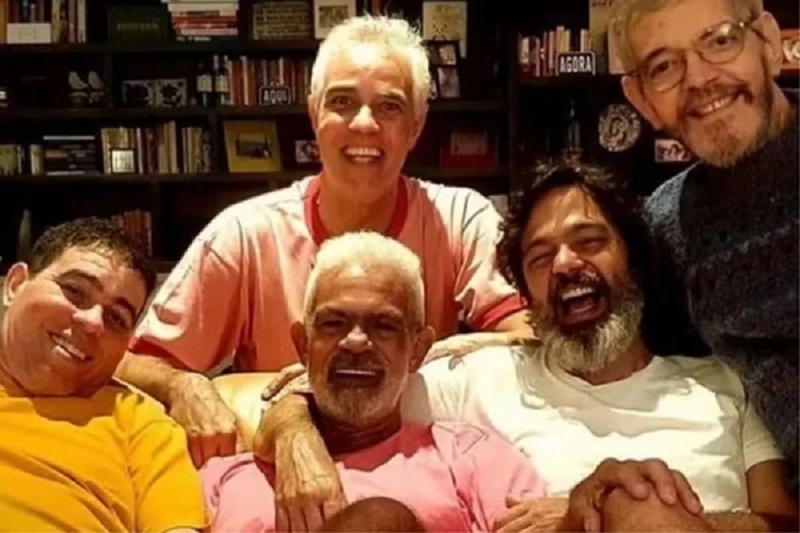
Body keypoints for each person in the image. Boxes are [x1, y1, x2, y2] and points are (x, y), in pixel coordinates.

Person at [257, 163, 798, 532]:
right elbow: (333, 389)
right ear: (526, 297)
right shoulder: (480, 379)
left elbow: (781, 523)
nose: (565, 264)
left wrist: (602, 511)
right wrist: (295, 434)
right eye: (540, 258)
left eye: (589, 241)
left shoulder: (722, 384)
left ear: (633, 263)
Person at [116, 14, 530, 468]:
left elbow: (529, 341)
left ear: (416, 125)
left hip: (414, 469)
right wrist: (185, 385)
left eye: (389, 106)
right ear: (314, 113)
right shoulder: (246, 234)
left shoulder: (460, 219)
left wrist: (415, 364)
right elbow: (130, 363)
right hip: (284, 467)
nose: (364, 124)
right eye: (342, 102)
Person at [200, 231, 546, 532]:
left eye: (384, 326)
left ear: (417, 350)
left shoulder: (475, 461)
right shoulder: (221, 480)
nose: (355, 342)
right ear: (303, 345)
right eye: (333, 323)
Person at [609, 0, 799, 485]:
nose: (699, 79)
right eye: (664, 66)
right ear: (641, 99)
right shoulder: (667, 227)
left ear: (770, 43)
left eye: (720, 41)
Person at [0, 217, 206, 532]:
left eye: (116, 318)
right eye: (74, 291)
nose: (94, 323)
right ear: (15, 284)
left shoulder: (139, 423)